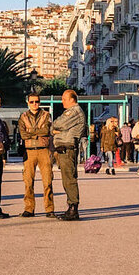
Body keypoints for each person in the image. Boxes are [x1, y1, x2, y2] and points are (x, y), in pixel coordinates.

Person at [18, 93, 55, 218]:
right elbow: (23, 134)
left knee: (48, 181)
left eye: (37, 101)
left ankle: (49, 209)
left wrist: (31, 132)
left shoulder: (46, 115)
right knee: (28, 181)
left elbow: (47, 131)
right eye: (32, 102)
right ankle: (29, 208)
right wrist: (37, 134)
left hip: (44, 150)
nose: (35, 104)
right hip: (29, 151)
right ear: (28, 103)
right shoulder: (23, 116)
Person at [52, 89, 86, 221]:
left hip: (67, 148)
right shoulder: (72, 112)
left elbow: (58, 124)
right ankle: (71, 206)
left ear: (72, 99)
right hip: (64, 148)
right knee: (67, 178)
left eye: (64, 99)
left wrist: (56, 129)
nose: (62, 102)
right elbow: (54, 127)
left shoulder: (74, 112)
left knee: (69, 179)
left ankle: (73, 208)